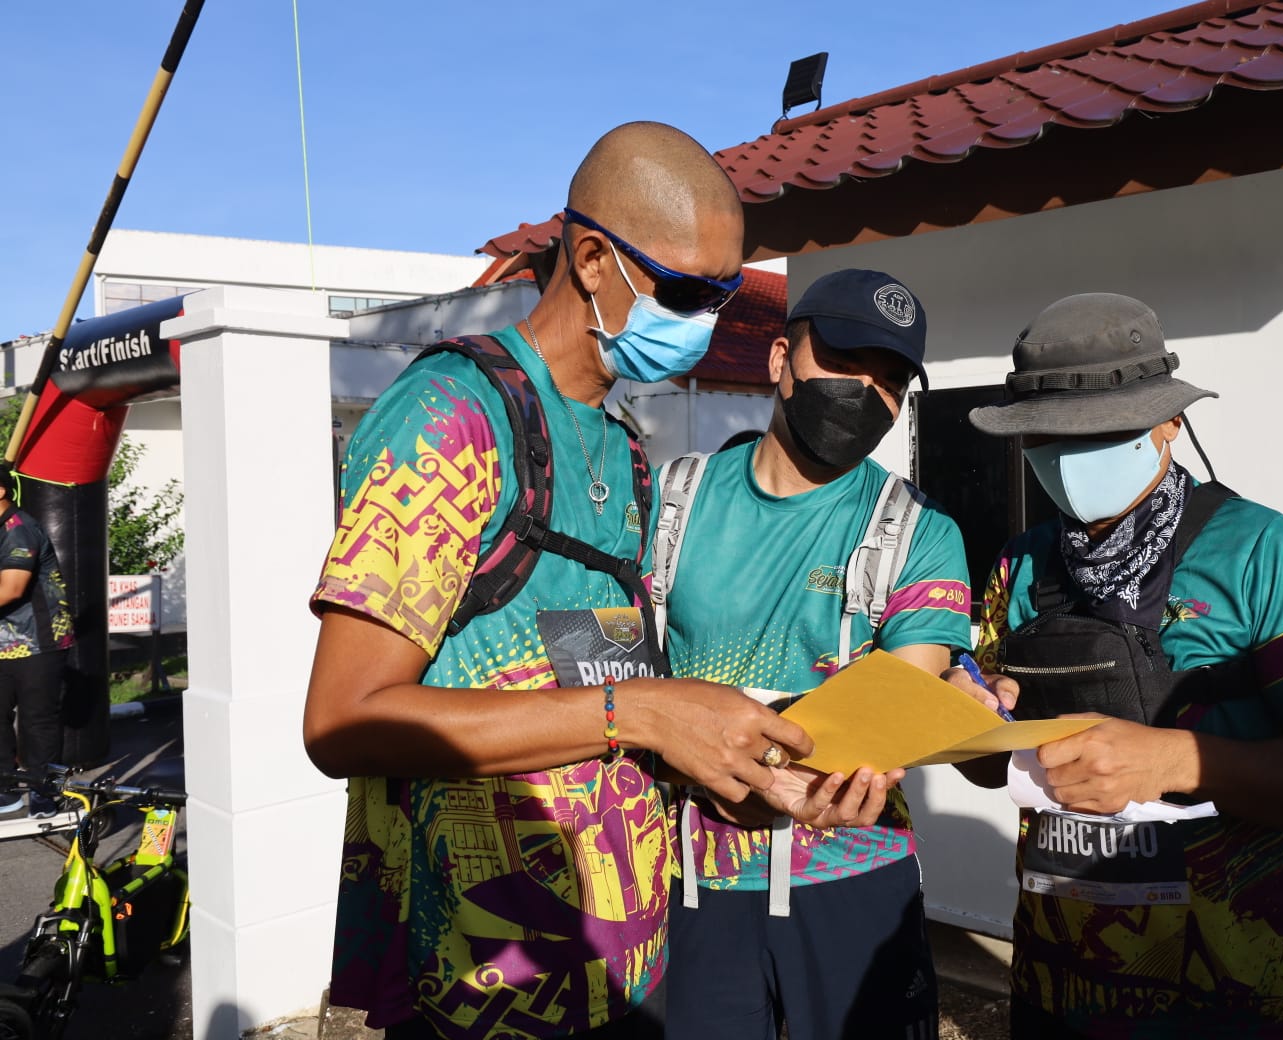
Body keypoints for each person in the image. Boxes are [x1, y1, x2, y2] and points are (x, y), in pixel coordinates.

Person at [303, 122, 815, 1040]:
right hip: (483, 990)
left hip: (629, 971)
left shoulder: (622, 447)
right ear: (591, 259)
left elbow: (583, 678)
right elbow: (344, 720)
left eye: (726, 295)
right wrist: (641, 713)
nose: (708, 321)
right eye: (688, 292)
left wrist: (722, 763)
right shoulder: (451, 416)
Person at [949, 293, 1283, 1039]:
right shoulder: (1019, 565)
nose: (1070, 457)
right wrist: (966, 724)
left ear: (1169, 425)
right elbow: (992, 768)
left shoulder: (1269, 554)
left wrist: (1174, 760)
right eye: (1047, 437)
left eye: (1102, 432)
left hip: (1226, 1000)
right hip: (1053, 988)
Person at [657, 270, 972, 1040]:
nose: (864, 391)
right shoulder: (670, 501)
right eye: (844, 360)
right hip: (693, 882)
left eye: (890, 380)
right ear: (779, 359)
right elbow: (613, 674)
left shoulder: (921, 530)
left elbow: (894, 708)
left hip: (852, 876)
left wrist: (715, 747)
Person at [0, 462, 74, 820]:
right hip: (3, 643)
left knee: (38, 721)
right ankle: (5, 790)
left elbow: (11, 589)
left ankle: (47, 796)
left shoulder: (20, 529)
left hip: (39, 642)